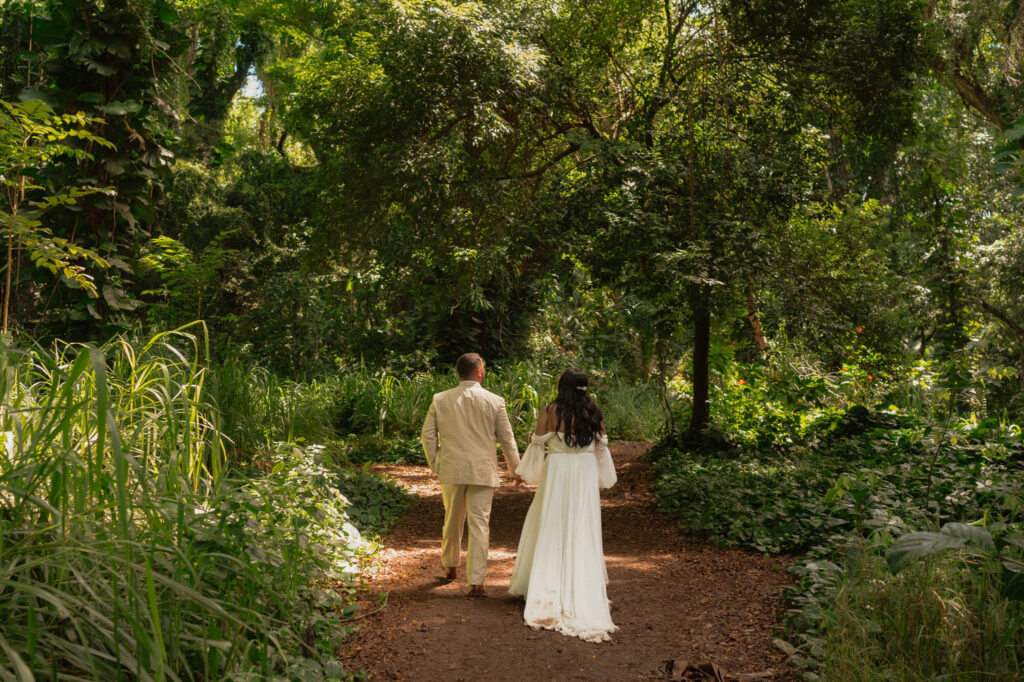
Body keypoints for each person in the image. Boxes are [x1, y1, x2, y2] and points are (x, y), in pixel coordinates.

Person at [508, 368, 617, 642]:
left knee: (551, 523)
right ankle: (582, 585)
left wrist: (524, 473)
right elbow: (601, 448)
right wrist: (603, 477)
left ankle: (547, 587)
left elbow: (536, 447)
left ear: (564, 386)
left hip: (557, 472)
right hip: (583, 473)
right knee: (581, 526)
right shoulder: (594, 412)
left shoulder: (549, 411)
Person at [421, 352, 522, 597]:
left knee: (452, 519)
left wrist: (436, 463)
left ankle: (451, 566)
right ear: (478, 371)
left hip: (452, 468)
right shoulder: (494, 401)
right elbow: (506, 439)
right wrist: (515, 469)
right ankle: (476, 581)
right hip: (482, 470)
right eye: (483, 368)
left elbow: (428, 435)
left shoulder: (441, 399)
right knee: (480, 524)